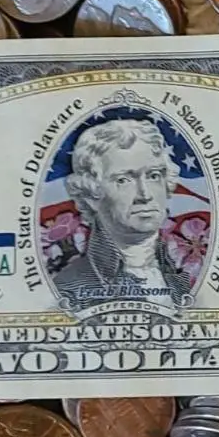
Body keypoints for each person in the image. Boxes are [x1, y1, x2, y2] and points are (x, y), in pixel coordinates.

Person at [53, 119, 193, 308]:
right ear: (91, 195)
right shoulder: (69, 289)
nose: (145, 194)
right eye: (123, 180)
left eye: (153, 176)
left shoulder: (180, 282)